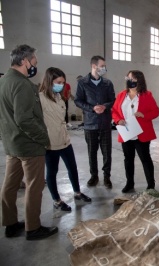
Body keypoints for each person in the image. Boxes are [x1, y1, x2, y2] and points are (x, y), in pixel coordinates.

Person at [0, 44, 58, 240]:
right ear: (25, 61)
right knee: (34, 186)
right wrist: (43, 138)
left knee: (10, 185)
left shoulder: (4, 80)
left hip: (11, 144)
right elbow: (24, 119)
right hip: (28, 145)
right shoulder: (22, 84)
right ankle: (33, 228)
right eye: (34, 60)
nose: (35, 64)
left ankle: (10, 223)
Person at [39, 67, 92, 211]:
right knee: (52, 172)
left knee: (72, 167)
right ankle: (56, 200)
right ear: (49, 81)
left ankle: (77, 192)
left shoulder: (59, 97)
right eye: (58, 82)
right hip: (50, 143)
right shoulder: (40, 98)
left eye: (63, 82)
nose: (61, 85)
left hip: (64, 140)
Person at [111, 70, 159, 193]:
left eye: (132, 79)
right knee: (128, 159)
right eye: (128, 78)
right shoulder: (122, 95)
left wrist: (144, 115)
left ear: (139, 80)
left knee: (145, 159)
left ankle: (151, 185)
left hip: (141, 133)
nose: (129, 80)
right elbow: (114, 111)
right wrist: (118, 120)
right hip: (126, 132)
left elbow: (155, 112)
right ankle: (129, 183)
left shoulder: (147, 95)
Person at [74, 56, 115, 188]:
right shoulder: (82, 83)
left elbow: (112, 100)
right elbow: (78, 100)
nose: (104, 68)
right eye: (102, 66)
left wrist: (105, 106)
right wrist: (92, 108)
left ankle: (107, 177)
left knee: (107, 152)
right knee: (92, 152)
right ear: (93, 66)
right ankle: (94, 176)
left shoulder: (107, 83)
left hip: (105, 122)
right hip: (90, 123)